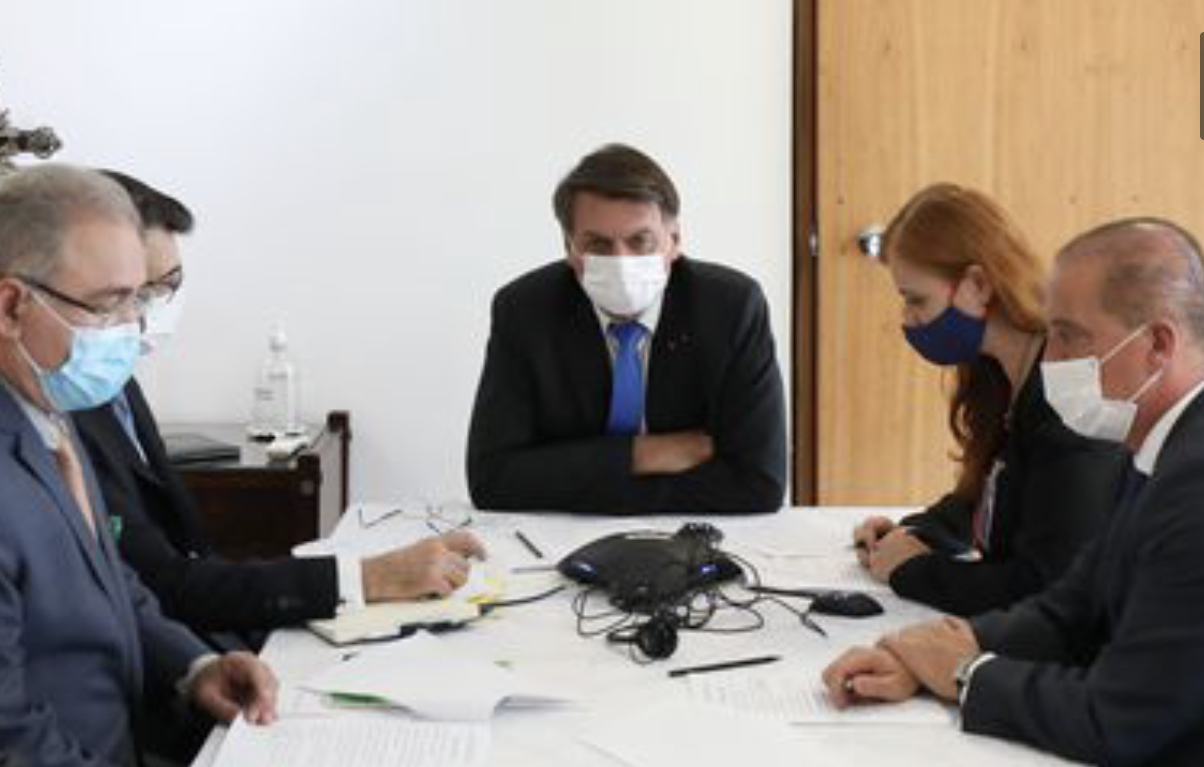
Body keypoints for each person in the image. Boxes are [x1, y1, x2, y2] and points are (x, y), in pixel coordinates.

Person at [823, 218, 1204, 766]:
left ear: (1158, 345)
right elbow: (1072, 608)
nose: (1050, 362)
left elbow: (1119, 719)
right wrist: (945, 647)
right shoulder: (1150, 448)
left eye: (1070, 336)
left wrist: (964, 673)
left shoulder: (1192, 484)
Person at [73, 171, 487, 649]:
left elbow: (194, 559)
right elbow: (165, 585)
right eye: (131, 295)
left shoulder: (117, 379)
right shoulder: (71, 402)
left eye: (169, 286)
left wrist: (377, 573)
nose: (145, 313)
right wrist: (368, 577)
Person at [0, 164, 277, 766]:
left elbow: (108, 579)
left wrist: (194, 667)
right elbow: (11, 735)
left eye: (141, 298)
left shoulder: (48, 406)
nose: (134, 326)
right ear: (11, 306)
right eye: (111, 303)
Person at [466, 143, 786, 513]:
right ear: (570, 248)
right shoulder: (524, 311)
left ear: (674, 241)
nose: (621, 260)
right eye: (598, 244)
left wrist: (579, 475)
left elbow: (759, 483)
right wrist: (640, 454)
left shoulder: (732, 309)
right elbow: (492, 478)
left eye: (640, 241)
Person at [850, 184, 1124, 615]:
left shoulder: (1071, 402)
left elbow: (1044, 588)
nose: (908, 320)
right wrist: (917, 533)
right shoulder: (1000, 374)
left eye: (916, 300)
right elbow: (992, 494)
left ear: (978, 284)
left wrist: (912, 570)